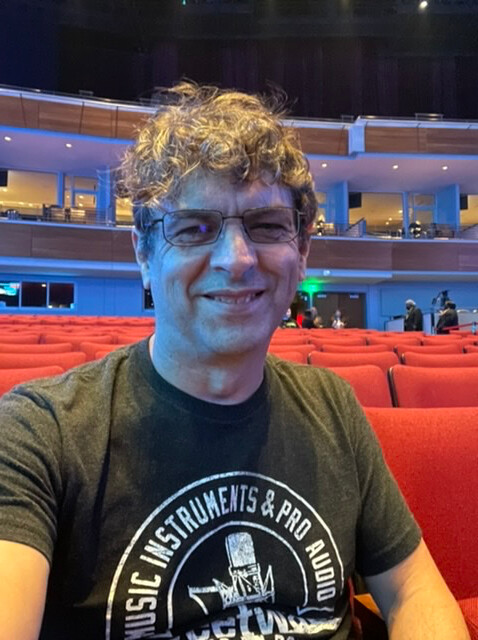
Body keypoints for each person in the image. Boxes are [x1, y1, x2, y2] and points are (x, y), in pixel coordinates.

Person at [0, 82, 470, 640]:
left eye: (267, 226)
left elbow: (414, 591)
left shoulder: (334, 407)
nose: (237, 259)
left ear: (302, 251)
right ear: (143, 253)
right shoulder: (41, 433)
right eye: (194, 228)